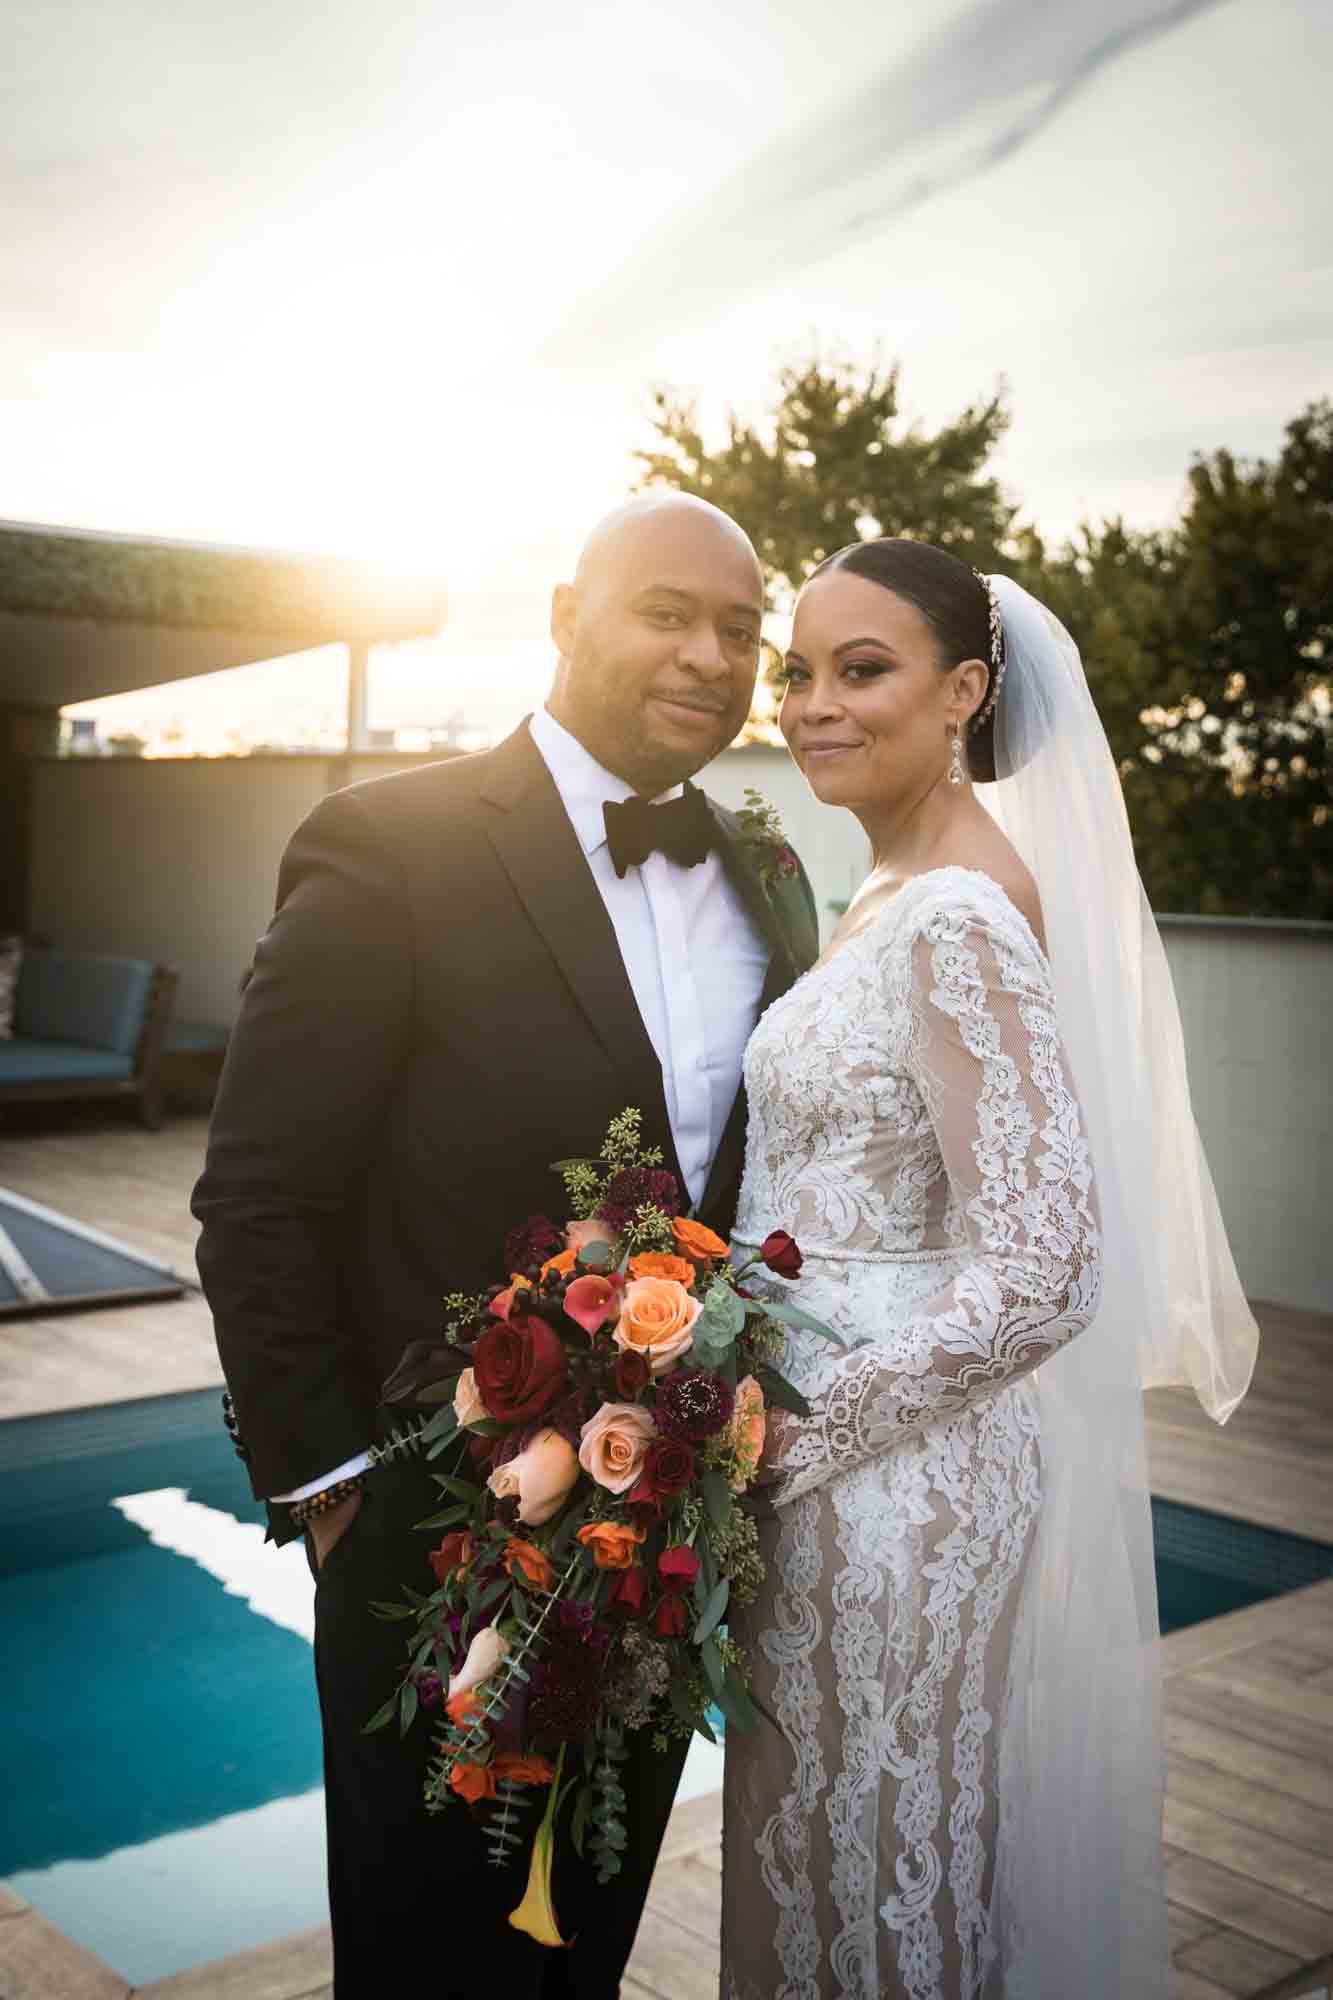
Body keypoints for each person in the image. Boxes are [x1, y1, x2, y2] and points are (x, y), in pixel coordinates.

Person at [191, 491, 820, 1998]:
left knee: (580, 1945)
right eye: (667, 612)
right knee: (422, 1958)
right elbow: (260, 1194)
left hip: (668, 1538)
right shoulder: (384, 844)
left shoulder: (767, 870)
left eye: (739, 629)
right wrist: (338, 1493)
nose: (709, 653)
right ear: (562, 614)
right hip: (433, 1548)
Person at [720, 539, 1258, 2000]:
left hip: (890, 1479)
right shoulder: (889, 883)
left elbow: (1041, 1271)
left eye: (861, 669)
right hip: (825, 1457)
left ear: (963, 690)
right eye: (799, 671)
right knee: (825, 1848)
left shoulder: (959, 910)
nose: (812, 704)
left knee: (881, 1859)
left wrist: (785, 1440)